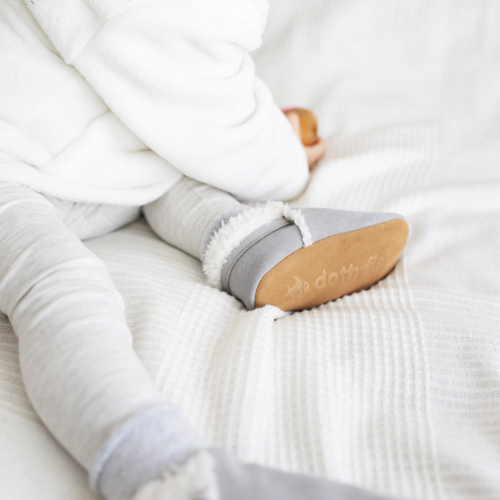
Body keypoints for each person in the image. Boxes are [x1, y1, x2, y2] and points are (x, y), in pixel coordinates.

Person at [0, 1, 408, 499]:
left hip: (68, 144)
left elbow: (188, 90)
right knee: (52, 279)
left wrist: (249, 121)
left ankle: (247, 240)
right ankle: (163, 469)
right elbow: (210, 115)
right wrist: (284, 154)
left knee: (168, 156)